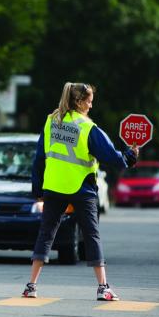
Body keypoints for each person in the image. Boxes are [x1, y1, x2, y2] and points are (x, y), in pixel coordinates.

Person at [23, 82, 139, 301]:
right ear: (79, 102)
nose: (91, 106)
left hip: (54, 186)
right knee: (91, 235)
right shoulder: (87, 127)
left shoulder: (51, 121)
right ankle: (103, 287)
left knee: (46, 234)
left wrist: (37, 189)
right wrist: (129, 157)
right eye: (89, 101)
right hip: (81, 187)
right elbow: (112, 157)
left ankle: (31, 286)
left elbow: (39, 157)